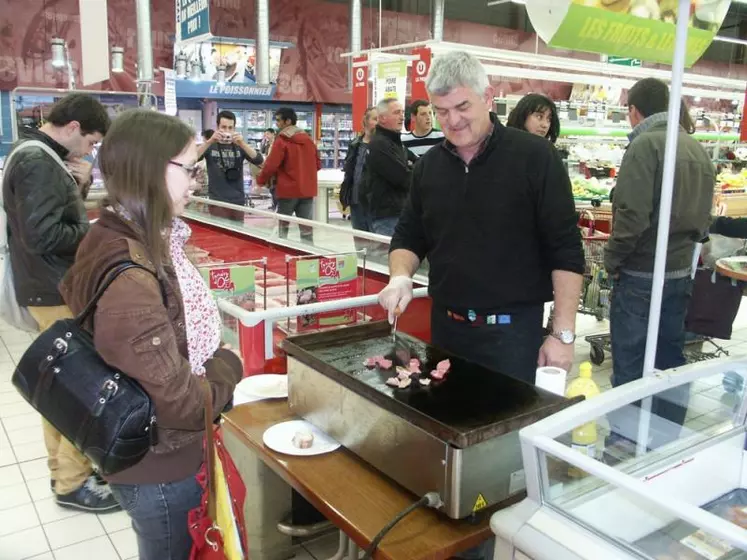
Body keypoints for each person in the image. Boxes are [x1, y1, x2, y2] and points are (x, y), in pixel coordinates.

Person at [59, 110, 243, 559]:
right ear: (150, 169)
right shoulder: (130, 274)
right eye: (188, 168)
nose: (195, 181)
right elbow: (178, 402)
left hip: (156, 450)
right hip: (160, 466)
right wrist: (229, 366)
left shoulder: (130, 235)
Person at [378, 50, 583, 383]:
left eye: (463, 107)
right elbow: (409, 236)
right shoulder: (429, 168)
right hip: (446, 329)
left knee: (507, 428)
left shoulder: (535, 157)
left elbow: (565, 248)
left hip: (514, 333)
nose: (453, 121)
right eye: (441, 111)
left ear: (487, 97)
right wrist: (400, 276)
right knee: (450, 423)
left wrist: (562, 333)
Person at [2, 93, 118, 513]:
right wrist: (96, 234)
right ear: (73, 128)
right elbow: (45, 235)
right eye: (90, 141)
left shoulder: (35, 153)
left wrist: (80, 183)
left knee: (59, 386)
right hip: (54, 290)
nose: (90, 150)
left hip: (47, 286)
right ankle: (71, 483)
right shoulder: (37, 161)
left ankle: (68, 470)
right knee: (76, 389)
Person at [604, 79, 714, 449]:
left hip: (640, 274)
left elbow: (630, 217)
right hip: (681, 271)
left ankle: (623, 442)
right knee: (671, 357)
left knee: (631, 362)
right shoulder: (696, 148)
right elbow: (704, 219)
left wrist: (612, 260)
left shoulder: (645, 145)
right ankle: (666, 441)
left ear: (634, 110)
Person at [257, 107, 320, 243]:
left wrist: (260, 180)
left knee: (282, 230)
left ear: (288, 121)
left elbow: (271, 165)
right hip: (306, 191)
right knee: (306, 231)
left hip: (287, 191)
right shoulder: (308, 140)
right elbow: (318, 165)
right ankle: (308, 258)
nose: (277, 124)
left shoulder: (282, 140)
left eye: (279, 120)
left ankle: (282, 257)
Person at [197, 110, 263, 220]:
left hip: (238, 201)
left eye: (230, 128)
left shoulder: (239, 145)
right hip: (217, 201)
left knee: (237, 235)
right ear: (217, 127)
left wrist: (242, 143)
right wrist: (209, 141)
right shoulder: (210, 145)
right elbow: (192, 158)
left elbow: (259, 160)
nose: (227, 131)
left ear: (234, 128)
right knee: (219, 234)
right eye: (223, 127)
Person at [361, 98, 410, 237]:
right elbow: (403, 178)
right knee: (392, 258)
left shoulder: (395, 143)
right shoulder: (380, 145)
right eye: (396, 112)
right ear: (382, 118)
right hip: (388, 217)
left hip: (398, 213)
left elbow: (414, 165)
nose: (401, 116)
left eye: (402, 112)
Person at [340, 106, 378, 232]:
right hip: (355, 202)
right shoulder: (355, 144)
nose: (378, 123)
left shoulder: (383, 146)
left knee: (377, 245)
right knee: (360, 243)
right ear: (366, 121)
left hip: (374, 204)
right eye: (375, 119)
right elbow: (349, 173)